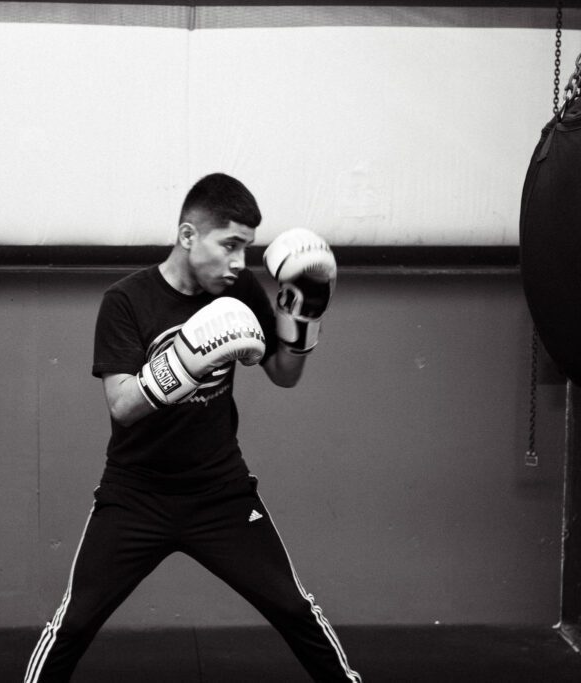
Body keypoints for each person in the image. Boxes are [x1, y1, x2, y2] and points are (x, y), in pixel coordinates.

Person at [24, 173, 361, 682]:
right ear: (187, 236)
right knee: (71, 624)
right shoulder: (127, 301)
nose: (237, 264)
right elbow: (121, 404)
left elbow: (284, 375)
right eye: (229, 246)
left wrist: (305, 318)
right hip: (136, 494)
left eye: (246, 250)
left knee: (296, 609)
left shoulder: (241, 289)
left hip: (220, 492)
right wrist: (185, 361)